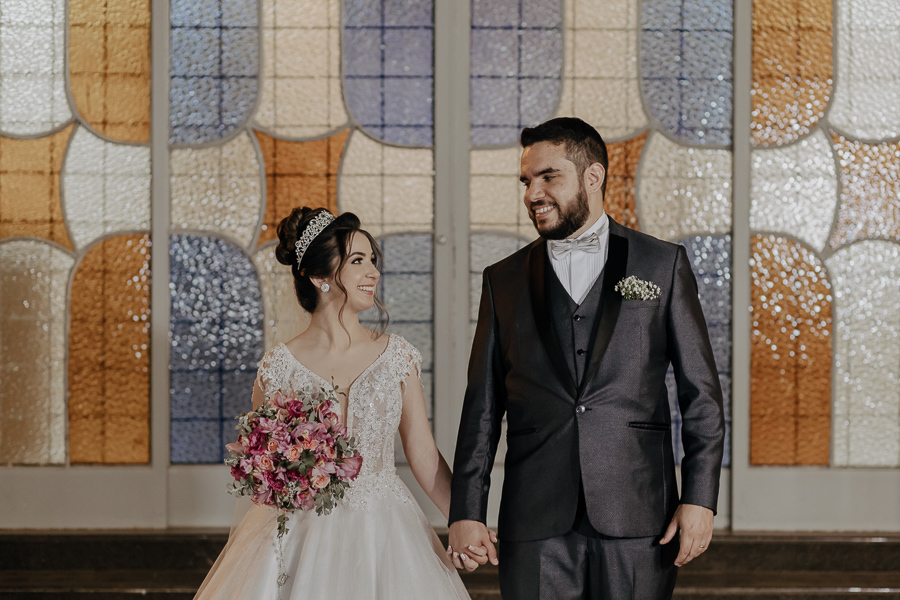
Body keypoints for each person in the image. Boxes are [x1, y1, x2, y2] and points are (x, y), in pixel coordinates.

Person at [447, 118, 725, 599]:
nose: (533, 193)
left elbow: (700, 395)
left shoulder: (661, 264)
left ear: (592, 177)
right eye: (526, 181)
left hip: (639, 515)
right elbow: (482, 409)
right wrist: (467, 511)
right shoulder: (503, 280)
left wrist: (700, 498)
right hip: (533, 518)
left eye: (548, 176)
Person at [195, 207, 482, 599]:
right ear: (319, 277)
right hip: (299, 535)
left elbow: (424, 455)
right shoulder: (278, 368)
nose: (374, 273)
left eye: (373, 261)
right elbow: (261, 464)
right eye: (358, 261)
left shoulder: (396, 356)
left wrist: (465, 521)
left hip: (386, 533)